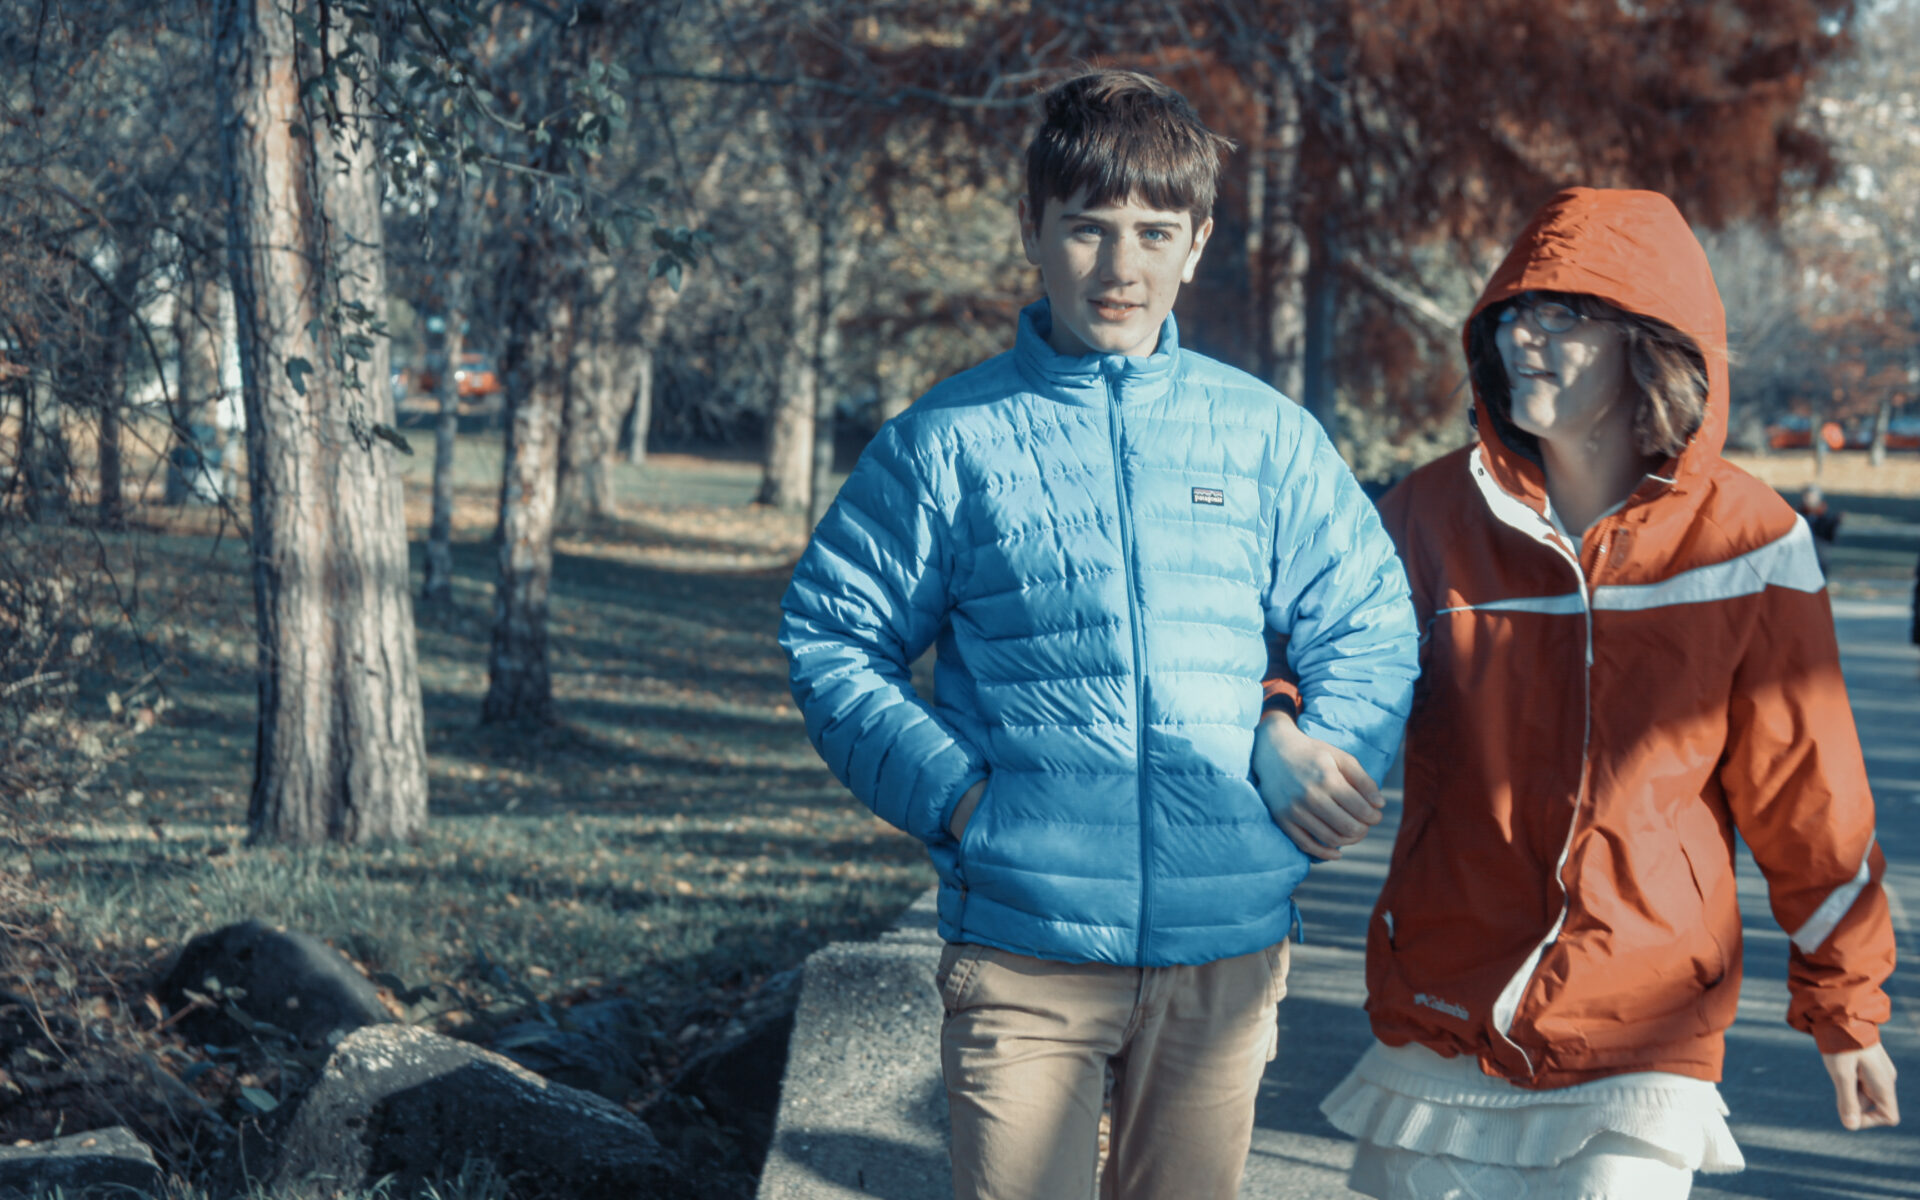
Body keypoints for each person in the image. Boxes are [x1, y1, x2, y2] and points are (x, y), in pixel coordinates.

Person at [778, 69, 1419, 1200]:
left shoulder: (1265, 438)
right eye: (1087, 228)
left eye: (1153, 232)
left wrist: (1310, 748)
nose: (1121, 268)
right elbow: (834, 635)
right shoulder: (947, 442)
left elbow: (1367, 621)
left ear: (1198, 242)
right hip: (1026, 947)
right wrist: (961, 800)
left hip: (1223, 946)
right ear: (1033, 230)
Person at [1310, 187, 1900, 1199]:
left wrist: (1848, 1011)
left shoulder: (1752, 540)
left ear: (1650, 343)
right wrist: (1292, 728)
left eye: (1567, 315)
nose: (1527, 338)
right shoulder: (1426, 513)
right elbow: (1318, 659)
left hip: (1643, 1026)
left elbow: (1812, 801)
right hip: (1441, 1013)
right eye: (1513, 315)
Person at [1798, 483, 1842, 574]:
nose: (1808, 500)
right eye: (1806, 497)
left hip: (1820, 555)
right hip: (1802, 555)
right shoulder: (1799, 515)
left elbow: (1830, 536)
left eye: (1811, 497)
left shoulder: (1827, 516)